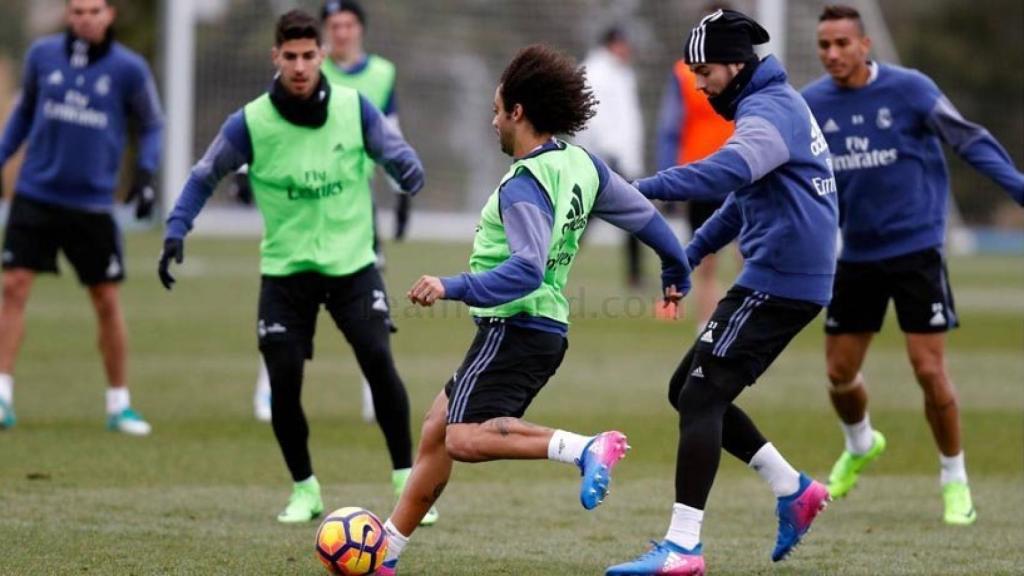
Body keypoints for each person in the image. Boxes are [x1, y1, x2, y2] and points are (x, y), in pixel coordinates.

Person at [374, 44, 692, 575]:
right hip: (541, 328)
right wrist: (675, 264)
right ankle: (386, 551)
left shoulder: (524, 183)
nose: (492, 119)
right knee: (436, 428)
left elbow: (527, 269)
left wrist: (449, 286)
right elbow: (643, 214)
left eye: (498, 108)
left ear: (517, 112)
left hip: (516, 324)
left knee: (462, 437)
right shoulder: (580, 162)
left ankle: (585, 447)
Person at [158, 10, 436, 525]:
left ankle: (406, 482)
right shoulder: (250, 122)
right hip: (286, 271)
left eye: (310, 56)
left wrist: (408, 171)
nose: (301, 66)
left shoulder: (356, 109)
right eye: (291, 57)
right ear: (276, 58)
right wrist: (177, 228)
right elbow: (204, 175)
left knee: (378, 359)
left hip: (353, 265)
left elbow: (397, 153)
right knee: (283, 380)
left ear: (322, 55)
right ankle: (305, 490)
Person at [607, 10, 839, 575]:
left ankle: (683, 548)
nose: (699, 82)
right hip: (784, 276)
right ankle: (794, 489)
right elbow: (742, 199)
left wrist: (636, 189)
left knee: (702, 395)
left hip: (781, 280)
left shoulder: (769, 110)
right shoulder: (770, 102)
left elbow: (723, 174)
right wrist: (686, 255)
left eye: (705, 70)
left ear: (737, 64)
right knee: (685, 390)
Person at [802, 4, 1024, 526]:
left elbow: (969, 140)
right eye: (824, 45)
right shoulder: (810, 104)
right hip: (854, 253)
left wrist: (1018, 189)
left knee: (928, 369)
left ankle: (954, 479)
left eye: (841, 43)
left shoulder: (911, 90)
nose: (832, 54)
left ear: (864, 45)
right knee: (839, 373)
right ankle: (860, 444)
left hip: (917, 251)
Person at [0, 0, 163, 434]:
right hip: (36, 194)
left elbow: (151, 124)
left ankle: (119, 403)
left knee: (106, 299)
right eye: (76, 11)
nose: (84, 18)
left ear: (109, 14)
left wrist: (146, 176)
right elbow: (23, 117)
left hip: (92, 204)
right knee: (13, 286)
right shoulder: (42, 56)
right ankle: (1, 394)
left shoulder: (129, 69)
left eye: (93, 10)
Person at [253, 0, 405, 425]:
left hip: (354, 206)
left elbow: (393, 136)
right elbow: (266, 128)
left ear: (359, 29)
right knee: (283, 308)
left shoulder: (382, 74)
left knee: (369, 305)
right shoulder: (301, 68)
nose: (341, 33)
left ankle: (374, 396)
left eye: (348, 25)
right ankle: (268, 390)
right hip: (300, 210)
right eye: (333, 26)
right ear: (323, 38)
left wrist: (402, 192)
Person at [655, 1, 736, 329]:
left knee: (751, 253)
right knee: (706, 258)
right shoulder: (682, 72)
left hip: (741, 171)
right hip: (701, 175)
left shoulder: (742, 71)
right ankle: (707, 323)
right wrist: (668, 178)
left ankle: (743, 318)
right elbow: (670, 127)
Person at [574, 26, 646, 288]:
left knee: (632, 215)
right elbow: (594, 116)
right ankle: (551, 259)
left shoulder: (622, 73)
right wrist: (610, 152)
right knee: (584, 217)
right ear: (613, 44)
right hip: (602, 158)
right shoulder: (594, 71)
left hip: (622, 159)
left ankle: (635, 275)